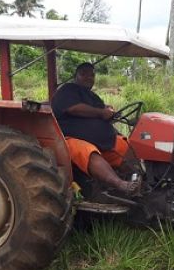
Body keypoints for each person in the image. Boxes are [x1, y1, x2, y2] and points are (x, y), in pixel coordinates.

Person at [51, 62, 139, 195]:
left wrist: (111, 113)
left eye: (92, 75)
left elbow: (103, 112)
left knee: (127, 145)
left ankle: (139, 180)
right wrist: (102, 112)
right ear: (76, 76)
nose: (88, 77)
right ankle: (121, 185)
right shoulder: (67, 90)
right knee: (89, 151)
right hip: (68, 138)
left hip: (101, 139)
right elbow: (74, 109)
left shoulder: (92, 96)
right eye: (83, 74)